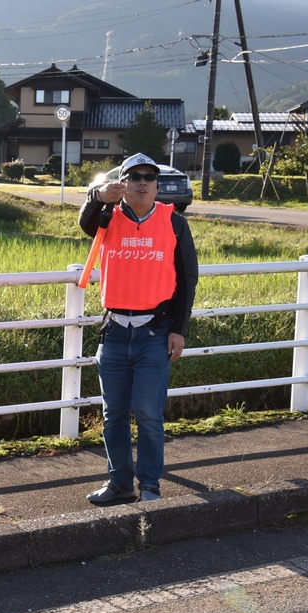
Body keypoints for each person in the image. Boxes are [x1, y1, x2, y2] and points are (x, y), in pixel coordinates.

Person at [78, 153, 198, 504]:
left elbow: (187, 279)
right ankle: (119, 483)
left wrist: (180, 329)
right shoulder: (106, 218)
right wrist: (98, 196)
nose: (142, 182)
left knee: (148, 413)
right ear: (123, 184)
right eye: (134, 177)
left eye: (149, 177)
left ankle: (150, 486)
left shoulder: (174, 222)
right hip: (114, 331)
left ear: (157, 186)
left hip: (155, 332)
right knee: (113, 414)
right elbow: (85, 223)